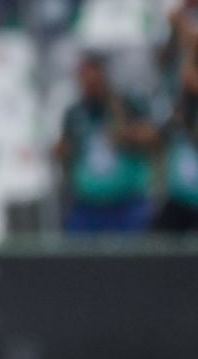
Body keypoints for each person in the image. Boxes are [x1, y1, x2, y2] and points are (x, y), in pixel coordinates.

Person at [56, 54, 159, 233]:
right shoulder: (74, 113)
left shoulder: (128, 104)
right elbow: (64, 148)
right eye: (85, 76)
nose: (90, 83)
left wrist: (123, 129)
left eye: (95, 76)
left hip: (127, 205)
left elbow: (152, 137)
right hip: (87, 206)